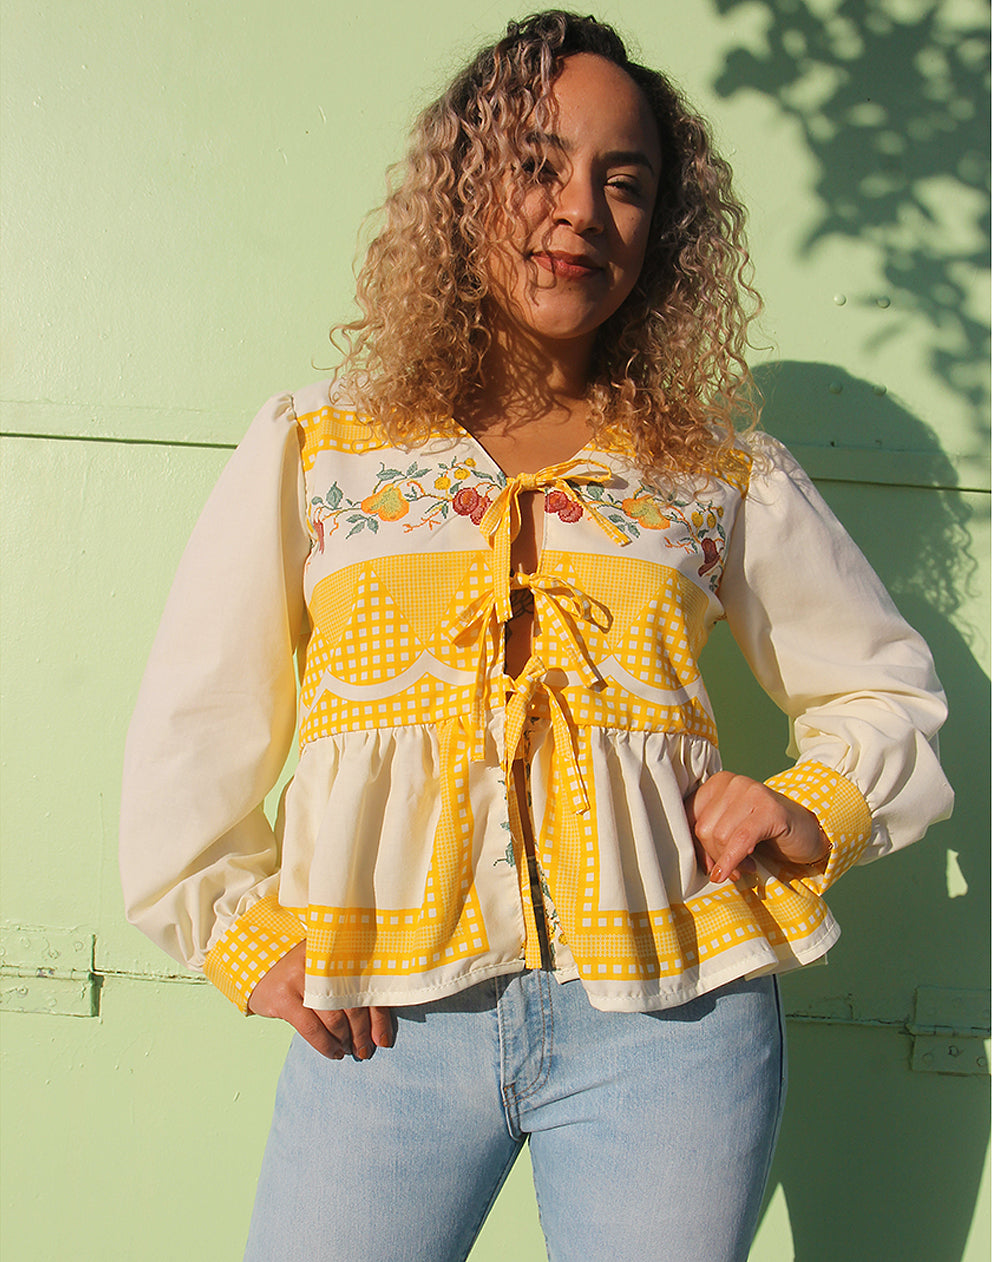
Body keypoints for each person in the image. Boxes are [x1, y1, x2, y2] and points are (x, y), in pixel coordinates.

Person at [119, 11, 953, 1261]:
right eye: (537, 164)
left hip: (674, 1020)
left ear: (662, 228)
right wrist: (242, 932)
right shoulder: (322, 447)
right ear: (462, 187)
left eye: (625, 182)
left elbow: (883, 689)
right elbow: (197, 718)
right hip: (385, 1016)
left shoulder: (714, 471)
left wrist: (805, 803)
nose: (579, 210)